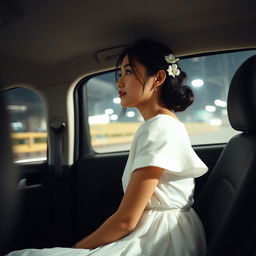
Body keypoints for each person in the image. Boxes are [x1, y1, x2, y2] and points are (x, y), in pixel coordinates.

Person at [6, 39, 208, 256]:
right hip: (167, 234)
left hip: (159, 240)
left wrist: (75, 249)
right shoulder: (163, 124)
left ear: (158, 78)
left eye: (128, 72)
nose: (119, 82)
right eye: (119, 74)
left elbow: (126, 220)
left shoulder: (159, 127)